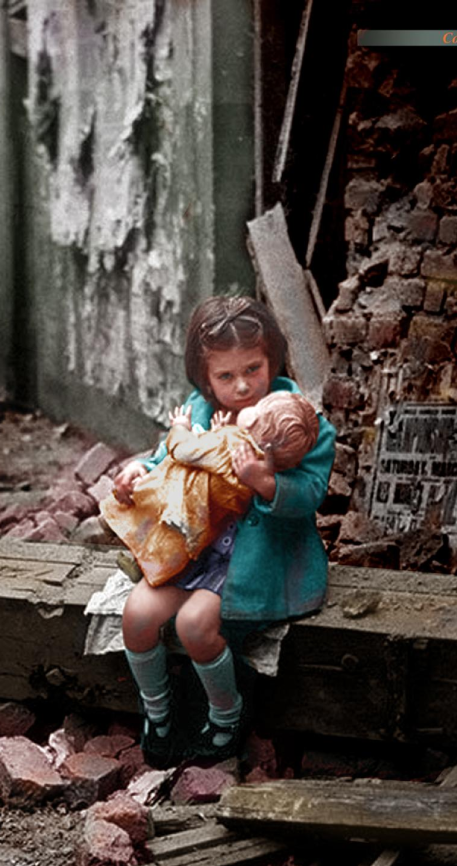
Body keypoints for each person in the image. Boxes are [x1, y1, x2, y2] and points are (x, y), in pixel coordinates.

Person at [110, 295, 336, 769]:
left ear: (273, 359)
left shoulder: (299, 420)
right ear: (204, 377)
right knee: (137, 615)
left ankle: (226, 713)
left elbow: (312, 491)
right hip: (193, 549)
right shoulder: (199, 409)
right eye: (225, 376)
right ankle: (159, 708)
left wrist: (265, 482)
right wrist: (137, 473)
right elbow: (167, 457)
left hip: (255, 559)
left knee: (195, 624)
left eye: (253, 369)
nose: (242, 386)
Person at [101, 389, 320, 587]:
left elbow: (183, 450)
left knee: (143, 510)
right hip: (205, 519)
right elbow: (221, 468)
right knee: (172, 547)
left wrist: (180, 427)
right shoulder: (258, 467)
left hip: (181, 499)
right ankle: (148, 568)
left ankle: (124, 542)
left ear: (254, 423)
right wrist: (218, 432)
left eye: (257, 409)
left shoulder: (231, 445)